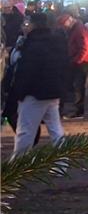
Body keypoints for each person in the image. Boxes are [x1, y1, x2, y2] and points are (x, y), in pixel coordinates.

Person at [9, 12, 68, 157]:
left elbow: (26, 72)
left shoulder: (32, 44)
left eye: (27, 24)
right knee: (55, 129)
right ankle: (62, 162)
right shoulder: (54, 41)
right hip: (52, 90)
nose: (24, 27)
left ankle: (20, 164)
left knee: (25, 131)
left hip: (34, 93)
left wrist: (19, 92)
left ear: (34, 25)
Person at [59, 14, 88, 119]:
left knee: (78, 86)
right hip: (81, 61)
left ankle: (79, 111)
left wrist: (77, 60)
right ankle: (77, 109)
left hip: (81, 62)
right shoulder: (78, 28)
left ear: (68, 21)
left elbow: (84, 47)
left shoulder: (79, 30)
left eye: (64, 24)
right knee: (77, 86)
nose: (64, 27)